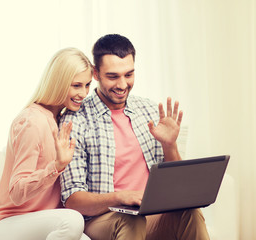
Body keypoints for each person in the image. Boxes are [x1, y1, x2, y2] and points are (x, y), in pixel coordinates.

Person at [60, 34, 210, 240]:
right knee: (130, 220)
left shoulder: (148, 110)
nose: (122, 85)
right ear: (95, 73)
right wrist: (120, 197)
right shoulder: (76, 119)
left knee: (190, 213)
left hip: (151, 216)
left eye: (129, 74)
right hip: (104, 219)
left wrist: (169, 145)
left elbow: (177, 188)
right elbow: (72, 199)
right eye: (113, 76)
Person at [0, 48, 93, 240]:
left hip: (43, 222)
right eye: (76, 85)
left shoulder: (61, 119)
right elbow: (17, 192)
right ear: (58, 82)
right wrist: (56, 166)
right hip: (10, 223)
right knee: (73, 221)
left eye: (87, 85)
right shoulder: (32, 121)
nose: (83, 93)